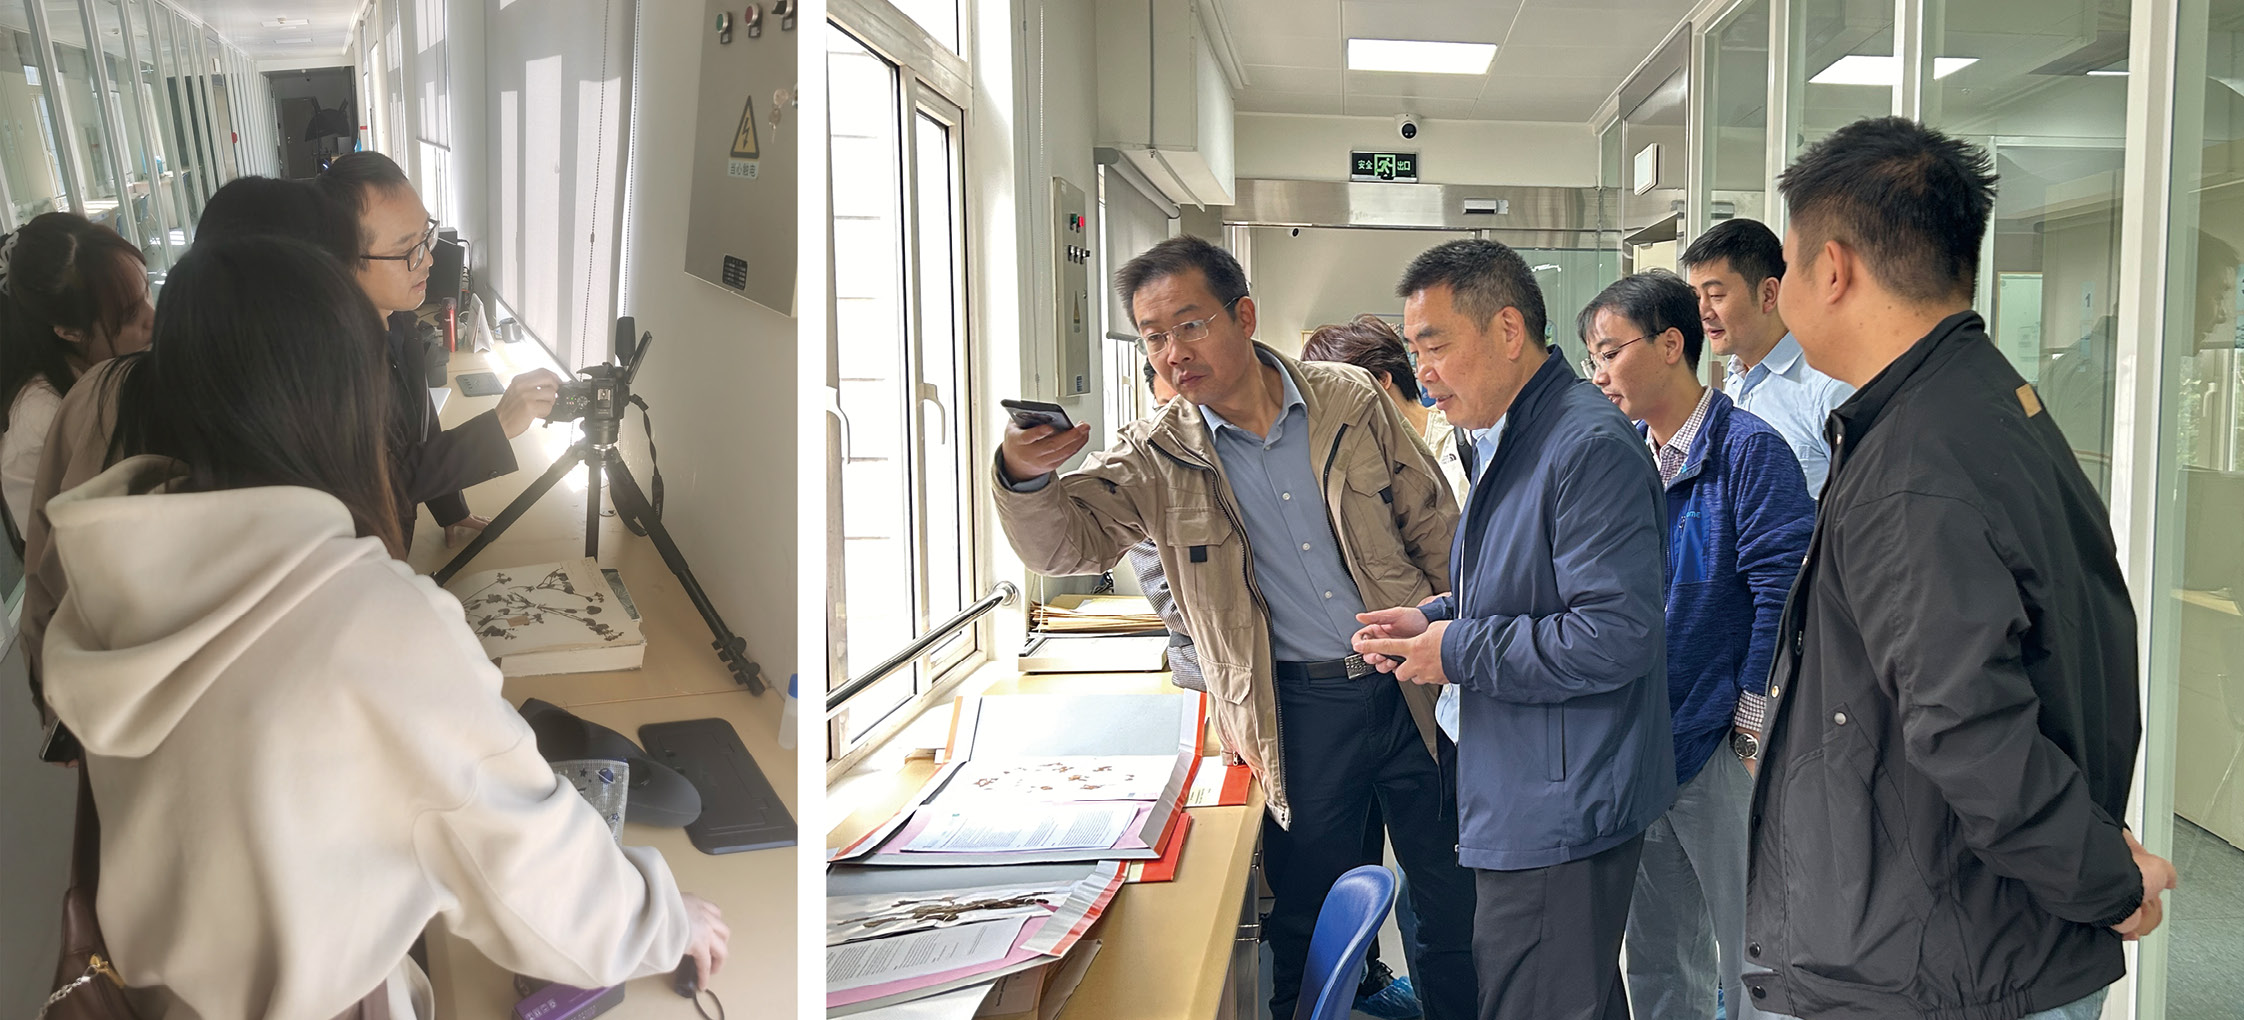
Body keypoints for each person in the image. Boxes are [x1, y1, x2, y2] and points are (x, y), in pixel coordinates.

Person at [36, 235, 728, 1018]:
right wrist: (664, 919)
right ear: (337, 402)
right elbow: (533, 872)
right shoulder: (368, 624)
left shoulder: (114, 568)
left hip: (164, 994)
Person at [1742, 116, 2175, 1020]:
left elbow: (1967, 724)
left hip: (1944, 960)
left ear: (1833, 269)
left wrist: (2102, 876)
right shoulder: (1982, 400)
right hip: (1976, 924)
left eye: (1787, 265)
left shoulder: (1916, 462)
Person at [992, 235, 1476, 1020]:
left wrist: (1460, 643)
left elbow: (1436, 528)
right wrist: (1024, 476)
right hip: (1297, 710)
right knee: (1308, 914)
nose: (1173, 352)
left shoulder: (1349, 400)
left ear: (1243, 316)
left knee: (1454, 902)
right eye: (1153, 335)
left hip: (1413, 682)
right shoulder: (1155, 454)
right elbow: (1068, 545)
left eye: (1190, 324)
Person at [1353, 238, 1673, 1020]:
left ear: (1506, 330)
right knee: (1568, 993)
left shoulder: (1584, 446)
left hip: (1561, 795)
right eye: (1414, 350)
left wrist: (1454, 650)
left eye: (1435, 345)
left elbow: (1614, 635)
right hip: (1526, 775)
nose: (1423, 371)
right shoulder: (1511, 434)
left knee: (1535, 995)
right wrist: (1434, 616)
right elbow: (1520, 588)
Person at [1575, 270, 1813, 1020]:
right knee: (1657, 949)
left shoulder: (1749, 450)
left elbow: (1784, 594)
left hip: (1722, 743)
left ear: (1671, 344)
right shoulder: (1623, 454)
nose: (1598, 374)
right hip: (1645, 742)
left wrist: (1752, 719)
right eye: (1592, 358)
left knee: (1756, 949)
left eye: (1609, 352)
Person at [315, 152, 561, 548]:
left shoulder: (398, 320)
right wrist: (496, 426)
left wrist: (451, 509)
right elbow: (382, 484)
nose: (428, 259)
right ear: (345, 262)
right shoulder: (328, 368)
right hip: (360, 559)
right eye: (407, 249)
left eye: (426, 236)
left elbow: (420, 425)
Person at [0, 213, 152, 531]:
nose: (153, 318)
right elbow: (48, 548)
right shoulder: (42, 421)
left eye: (147, 291)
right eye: (130, 314)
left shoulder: (118, 363)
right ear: (70, 332)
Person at [1679, 218, 1852, 496]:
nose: (1703, 311)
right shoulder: (1735, 380)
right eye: (1696, 297)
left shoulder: (1829, 387)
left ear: (1768, 294)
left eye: (1715, 295)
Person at [1124, 363, 1203, 695]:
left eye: (1187, 406)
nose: (1177, 420)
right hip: (1208, 665)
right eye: (1165, 407)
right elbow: (1172, 607)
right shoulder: (1147, 485)